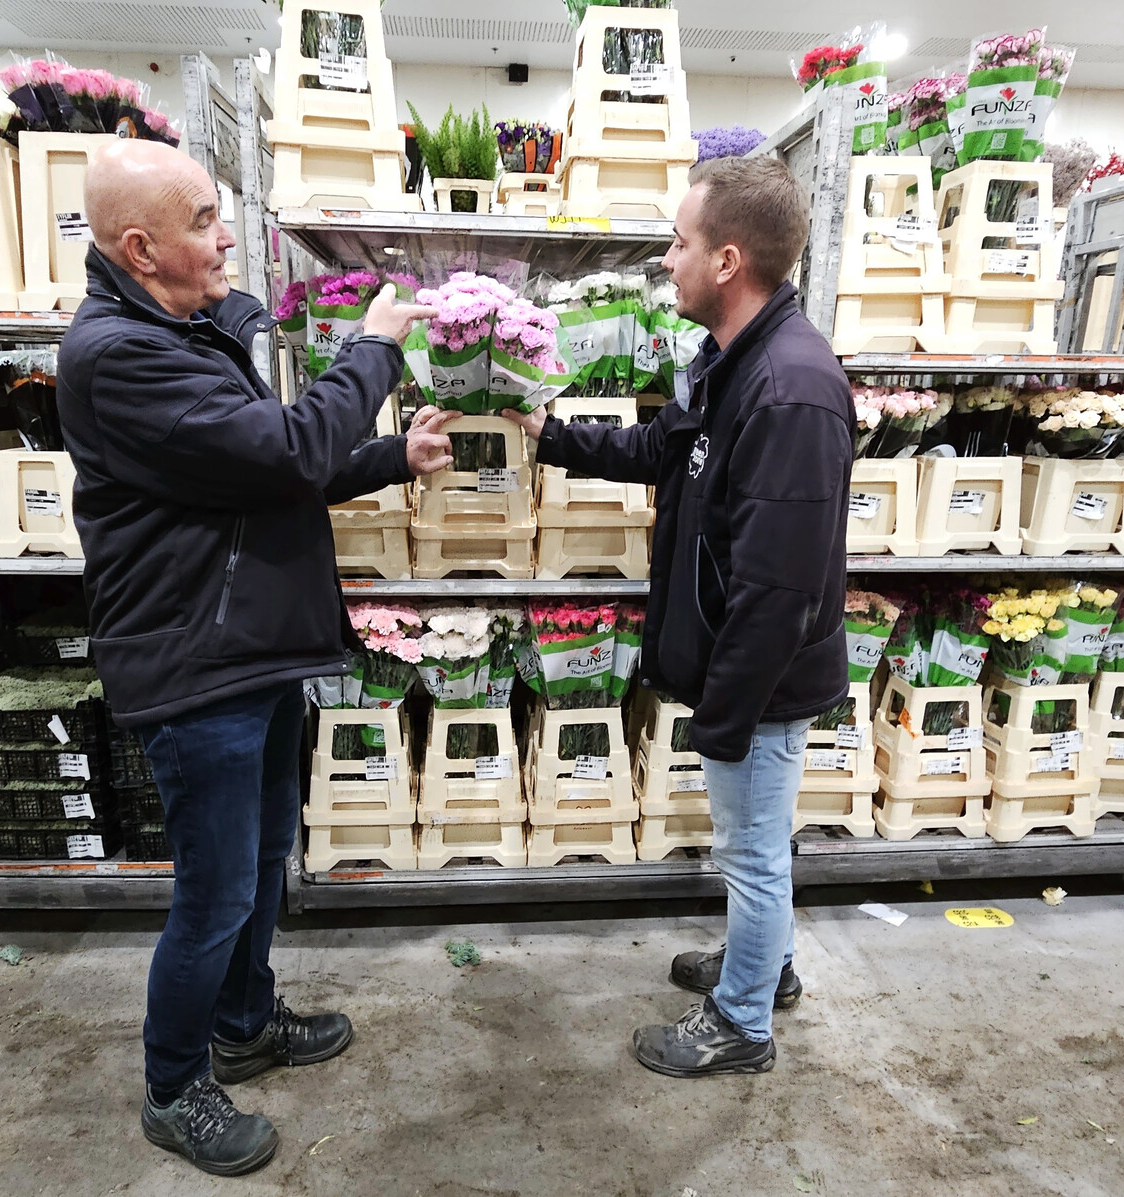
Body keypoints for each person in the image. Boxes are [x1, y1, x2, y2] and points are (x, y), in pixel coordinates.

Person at [56, 139, 450, 1175]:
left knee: (264, 859)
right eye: (202, 220)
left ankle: (242, 1021)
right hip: (197, 665)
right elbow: (285, 450)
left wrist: (390, 455)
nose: (226, 236)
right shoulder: (120, 356)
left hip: (248, 650)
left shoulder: (179, 330)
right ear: (138, 248)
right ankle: (174, 1085)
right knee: (215, 894)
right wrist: (373, 352)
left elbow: (262, 469)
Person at [507, 156, 854, 1078]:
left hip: (764, 687)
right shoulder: (728, 362)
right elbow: (661, 447)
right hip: (740, 675)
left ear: (728, 260)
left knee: (751, 852)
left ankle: (742, 1020)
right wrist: (552, 435)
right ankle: (766, 964)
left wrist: (726, 715)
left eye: (679, 242)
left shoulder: (789, 389)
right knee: (756, 846)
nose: (667, 260)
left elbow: (779, 591)